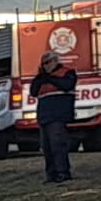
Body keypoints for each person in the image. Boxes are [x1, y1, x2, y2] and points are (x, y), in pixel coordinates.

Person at [28, 39, 82, 183]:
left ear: (55, 61)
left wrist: (50, 79)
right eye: (43, 64)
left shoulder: (67, 73)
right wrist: (41, 78)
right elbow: (33, 91)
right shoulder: (41, 78)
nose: (45, 66)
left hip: (59, 115)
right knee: (47, 148)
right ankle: (51, 174)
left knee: (58, 145)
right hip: (45, 116)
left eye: (47, 62)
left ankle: (63, 173)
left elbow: (66, 85)